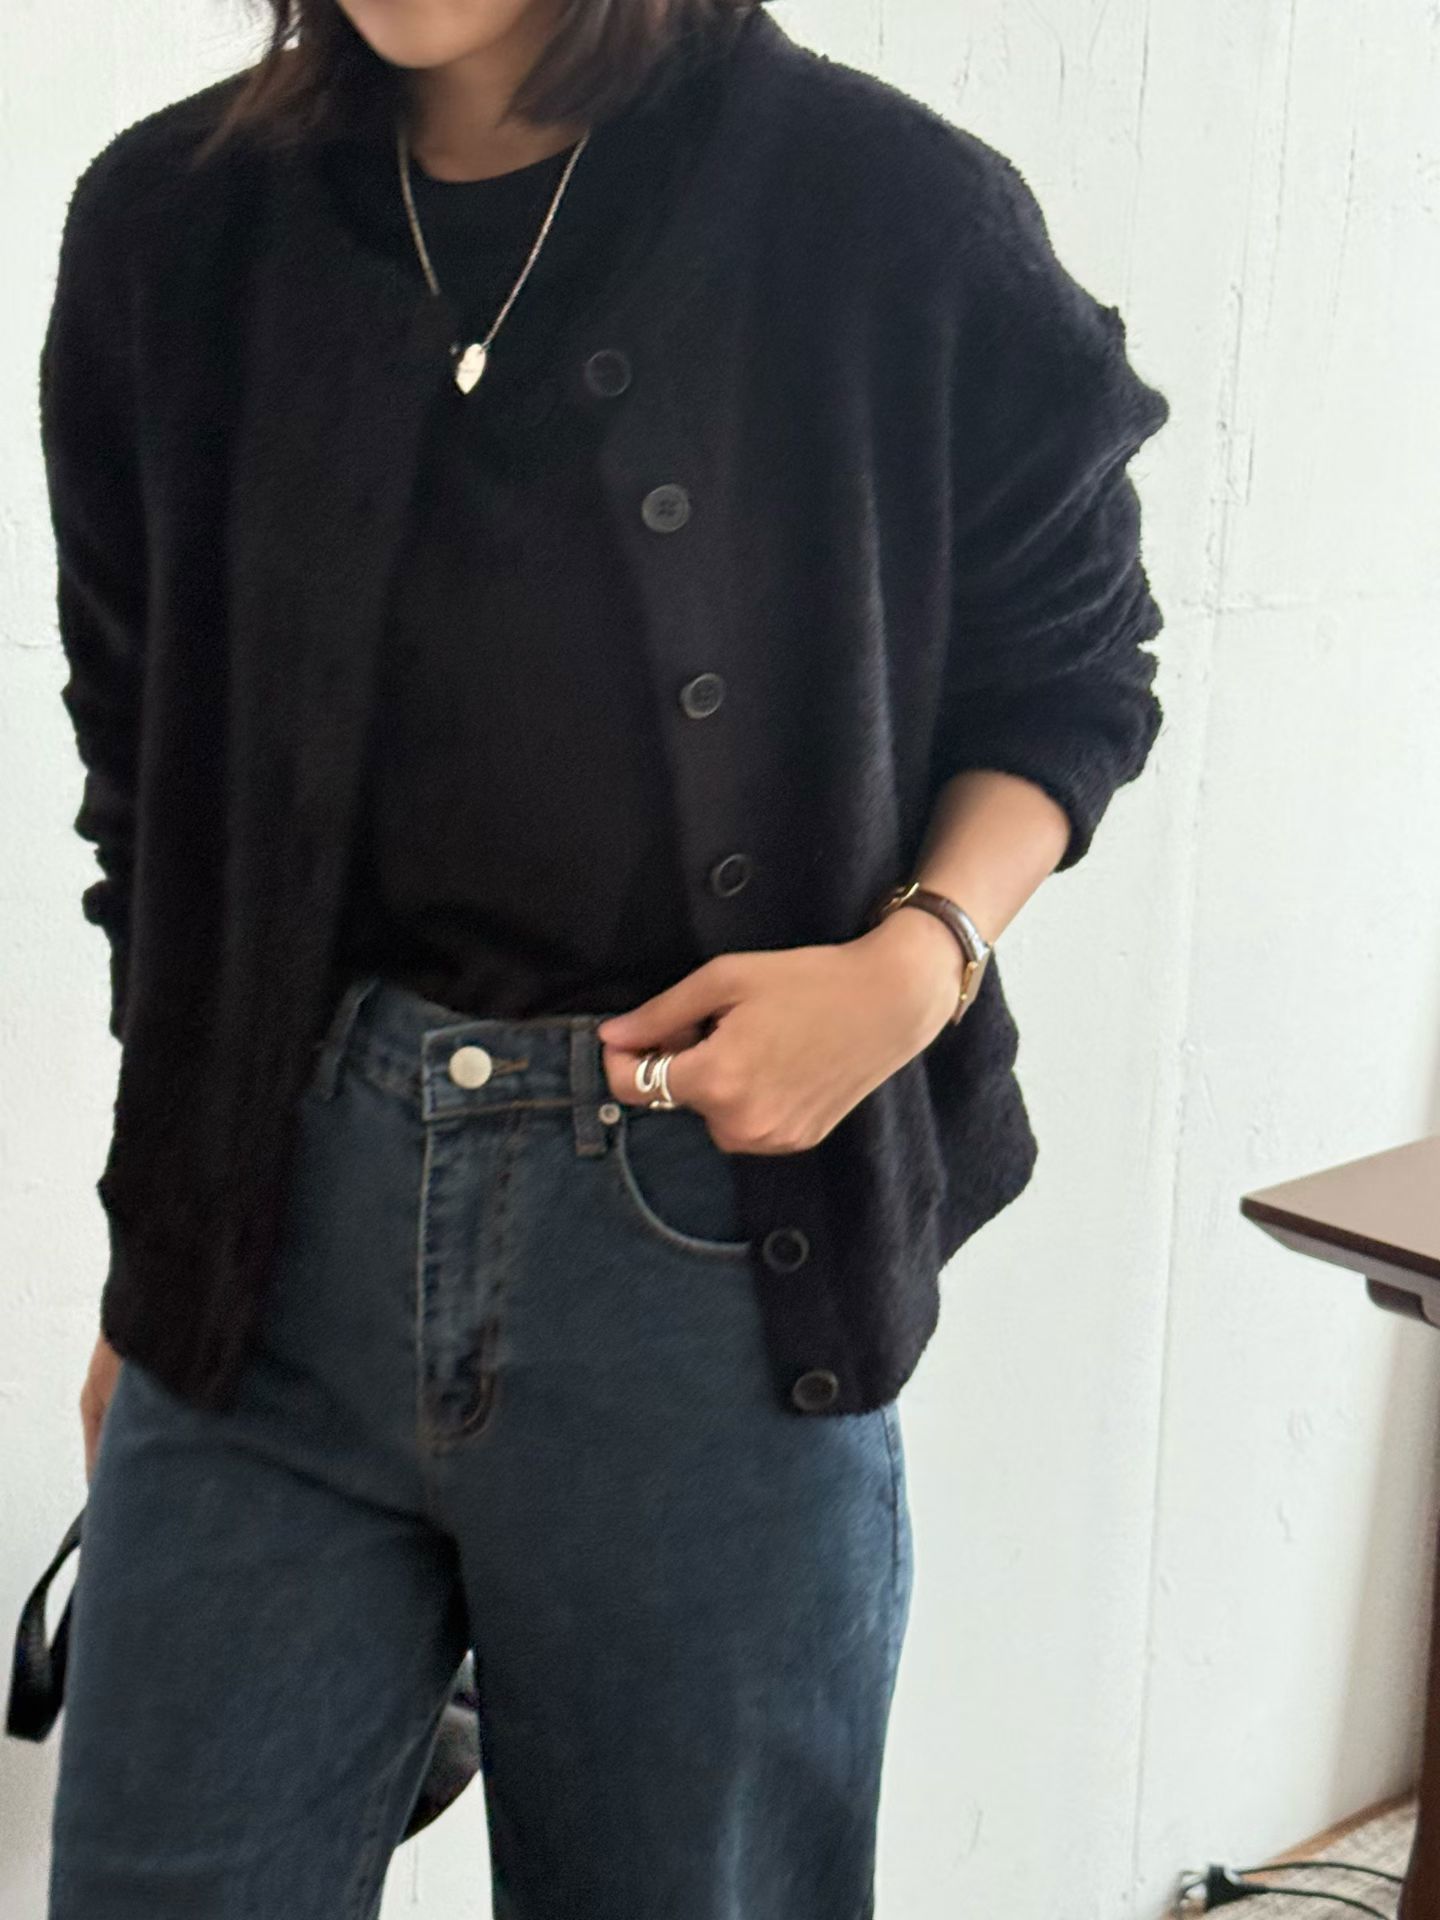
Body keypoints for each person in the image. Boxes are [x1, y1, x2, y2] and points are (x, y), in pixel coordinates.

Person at [38, 0, 1171, 1913]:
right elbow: (145, 796)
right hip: (269, 1258)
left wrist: (916, 966)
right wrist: (168, 1245)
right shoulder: (173, 224)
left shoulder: (885, 210)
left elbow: (1070, 661)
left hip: (711, 1263)